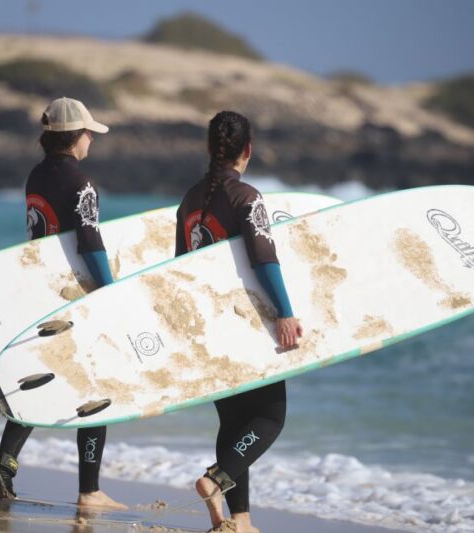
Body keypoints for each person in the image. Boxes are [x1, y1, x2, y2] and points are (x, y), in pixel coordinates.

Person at [0, 97, 126, 510]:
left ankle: (5, 464)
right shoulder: (81, 184)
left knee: (36, 376)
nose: (91, 140)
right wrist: (112, 293)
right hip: (73, 297)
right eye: (88, 133)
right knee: (96, 387)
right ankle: (89, 489)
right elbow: (90, 243)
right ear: (75, 136)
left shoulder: (36, 176)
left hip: (38, 291)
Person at [174, 111, 302, 532]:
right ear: (248, 150)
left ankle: (240, 520)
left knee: (232, 422)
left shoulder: (190, 201)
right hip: (243, 325)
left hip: (206, 327)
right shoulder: (247, 197)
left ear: (211, 149)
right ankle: (215, 480)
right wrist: (285, 311)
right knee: (270, 417)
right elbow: (264, 259)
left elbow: (177, 272)